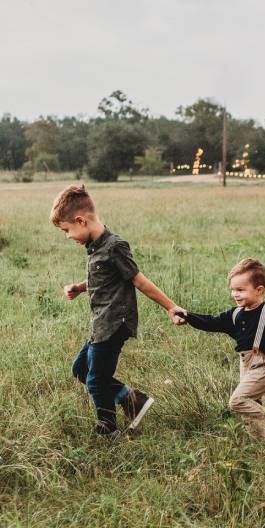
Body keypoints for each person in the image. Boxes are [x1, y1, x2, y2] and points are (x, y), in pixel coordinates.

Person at [51, 184, 185, 438]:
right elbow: (103, 280)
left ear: (80, 220)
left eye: (67, 230)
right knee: (80, 370)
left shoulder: (114, 246)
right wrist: (80, 287)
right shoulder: (94, 247)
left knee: (96, 380)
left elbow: (139, 280)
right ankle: (132, 400)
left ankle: (108, 429)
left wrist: (171, 307)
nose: (68, 236)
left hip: (114, 324)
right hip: (99, 324)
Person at [179, 258, 265, 446]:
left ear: (259, 290)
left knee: (237, 401)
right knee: (251, 410)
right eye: (233, 290)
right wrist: (187, 315)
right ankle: (261, 447)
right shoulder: (235, 314)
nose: (235, 294)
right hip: (245, 365)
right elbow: (210, 322)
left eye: (241, 290)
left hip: (264, 366)